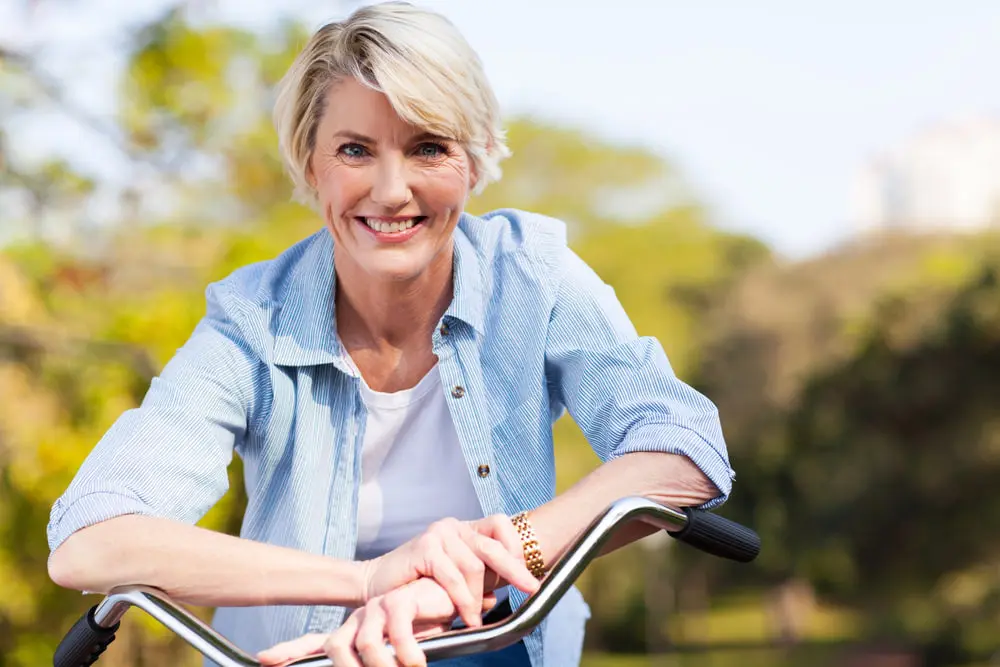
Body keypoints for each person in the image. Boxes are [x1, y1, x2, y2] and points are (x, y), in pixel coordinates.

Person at [45, 2, 735, 666]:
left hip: (493, 641)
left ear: (478, 157)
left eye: (428, 147)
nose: (392, 189)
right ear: (311, 165)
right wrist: (374, 580)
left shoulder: (533, 275)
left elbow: (684, 446)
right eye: (355, 149)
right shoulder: (252, 320)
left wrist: (483, 564)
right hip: (296, 656)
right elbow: (87, 542)